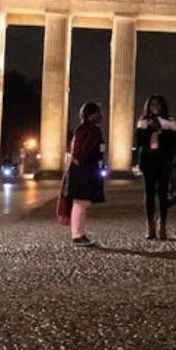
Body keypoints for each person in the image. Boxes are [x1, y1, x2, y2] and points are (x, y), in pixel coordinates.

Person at [135, 94, 176, 241]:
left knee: (163, 193)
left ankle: (163, 224)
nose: (155, 108)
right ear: (148, 106)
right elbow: (139, 141)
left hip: (164, 160)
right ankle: (150, 226)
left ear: (163, 106)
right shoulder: (143, 121)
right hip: (148, 160)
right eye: (152, 105)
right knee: (149, 193)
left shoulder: (170, 121)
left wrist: (161, 131)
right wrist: (149, 128)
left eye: (158, 105)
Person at [64, 102, 106, 247]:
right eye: (98, 113)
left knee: (83, 202)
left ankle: (80, 233)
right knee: (80, 202)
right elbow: (80, 152)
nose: (101, 115)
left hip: (86, 169)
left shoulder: (87, 129)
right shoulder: (87, 130)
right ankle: (77, 235)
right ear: (91, 115)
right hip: (84, 170)